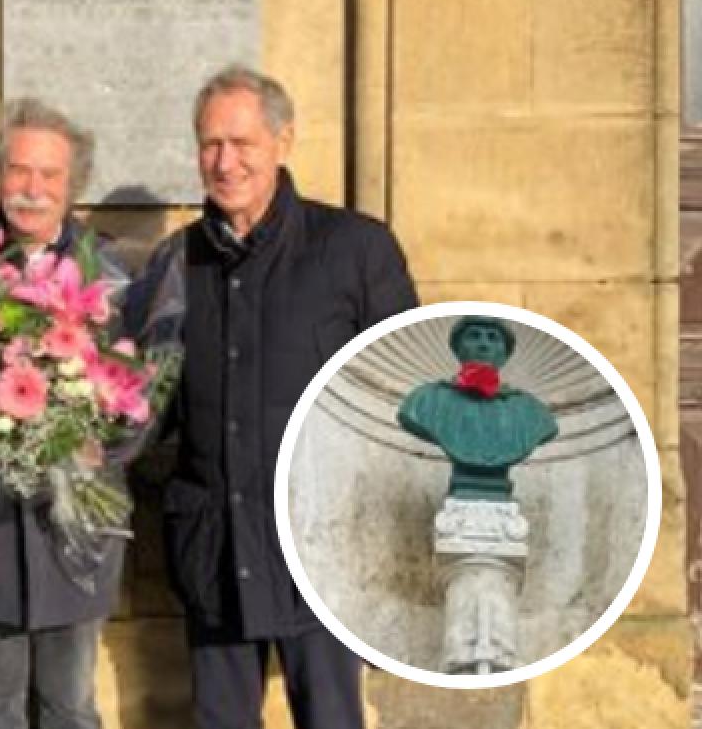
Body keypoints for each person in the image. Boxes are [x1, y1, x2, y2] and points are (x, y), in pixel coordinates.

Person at [131, 65, 418, 729]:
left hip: (323, 552)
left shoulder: (354, 248)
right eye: (209, 145)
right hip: (215, 547)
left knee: (331, 719)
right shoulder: (176, 263)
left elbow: (405, 390)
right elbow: (150, 401)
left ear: (283, 142)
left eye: (242, 144)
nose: (224, 162)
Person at [0, 98, 128, 729]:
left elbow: (141, 394)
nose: (32, 189)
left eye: (50, 176)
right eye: (19, 171)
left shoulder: (113, 280)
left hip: (75, 536)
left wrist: (93, 445)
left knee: (71, 706)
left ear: (73, 187)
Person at [398, 316, 558, 501]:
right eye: (474, 336)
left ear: (505, 354)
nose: (483, 345)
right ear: (458, 349)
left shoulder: (532, 411)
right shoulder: (425, 400)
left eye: (493, 338)